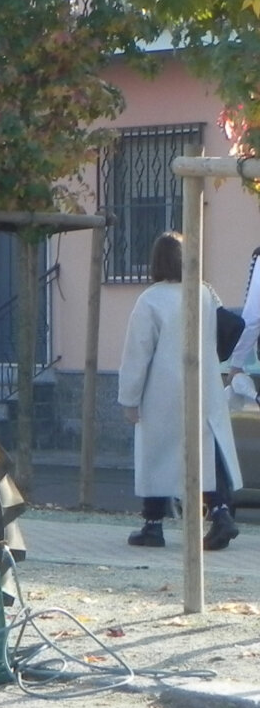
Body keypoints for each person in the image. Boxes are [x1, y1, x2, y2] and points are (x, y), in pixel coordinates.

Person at [118, 231, 242, 550]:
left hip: (162, 389)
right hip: (204, 384)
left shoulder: (150, 300)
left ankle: (153, 525)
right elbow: (228, 326)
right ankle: (220, 511)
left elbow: (138, 352)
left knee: (157, 454)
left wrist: (129, 399)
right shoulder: (203, 293)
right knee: (204, 452)